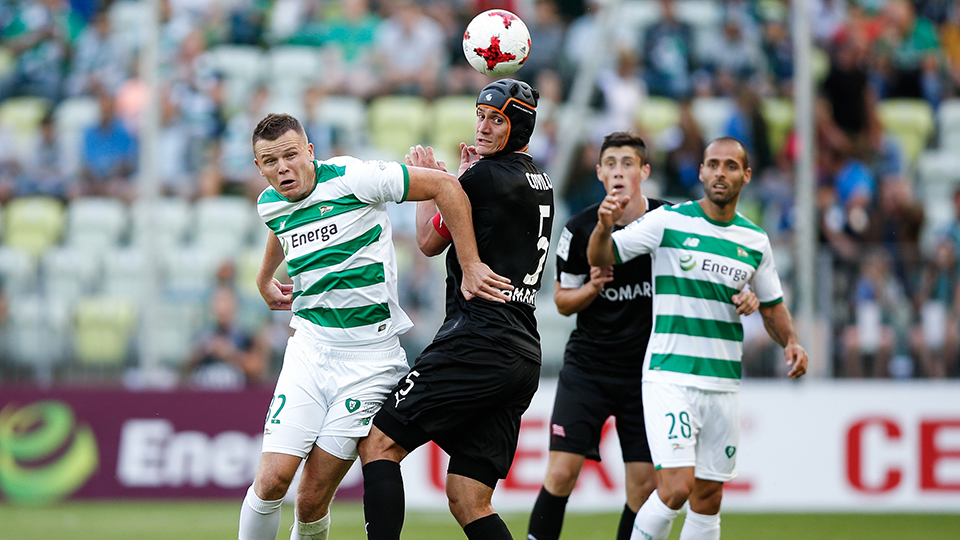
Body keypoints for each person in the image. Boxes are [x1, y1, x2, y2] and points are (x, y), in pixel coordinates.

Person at [238, 113, 508, 540]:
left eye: (291, 155)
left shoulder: (353, 178)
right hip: (309, 351)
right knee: (271, 481)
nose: (283, 169)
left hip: (369, 364)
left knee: (311, 499)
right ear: (259, 168)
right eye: (270, 162)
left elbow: (445, 186)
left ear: (310, 152)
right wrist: (263, 276)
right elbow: (281, 225)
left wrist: (472, 264)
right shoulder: (270, 202)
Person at [527, 132, 758, 540]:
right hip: (589, 368)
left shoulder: (670, 222)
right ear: (599, 173)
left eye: (628, 163)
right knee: (561, 473)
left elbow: (715, 269)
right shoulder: (579, 228)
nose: (619, 171)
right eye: (611, 164)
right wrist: (592, 290)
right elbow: (563, 300)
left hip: (647, 375)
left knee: (643, 486)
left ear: (644, 172)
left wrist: (746, 293)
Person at [359, 78, 554, 540]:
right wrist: (460, 184)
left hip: (479, 340)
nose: (483, 127)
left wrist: (434, 182)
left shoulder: (484, 177)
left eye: (496, 120)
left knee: (379, 443)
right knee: (469, 497)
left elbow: (427, 242)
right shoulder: (539, 180)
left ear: (519, 125)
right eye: (480, 116)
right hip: (522, 351)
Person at [586, 137, 808, 540]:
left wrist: (791, 341)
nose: (720, 173)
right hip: (670, 376)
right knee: (674, 488)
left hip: (722, 383)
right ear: (701, 171)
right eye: (713, 165)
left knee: (707, 499)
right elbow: (602, 257)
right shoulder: (670, 221)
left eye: (730, 166)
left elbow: (773, 306)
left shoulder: (755, 241)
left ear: (746, 175)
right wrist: (602, 228)